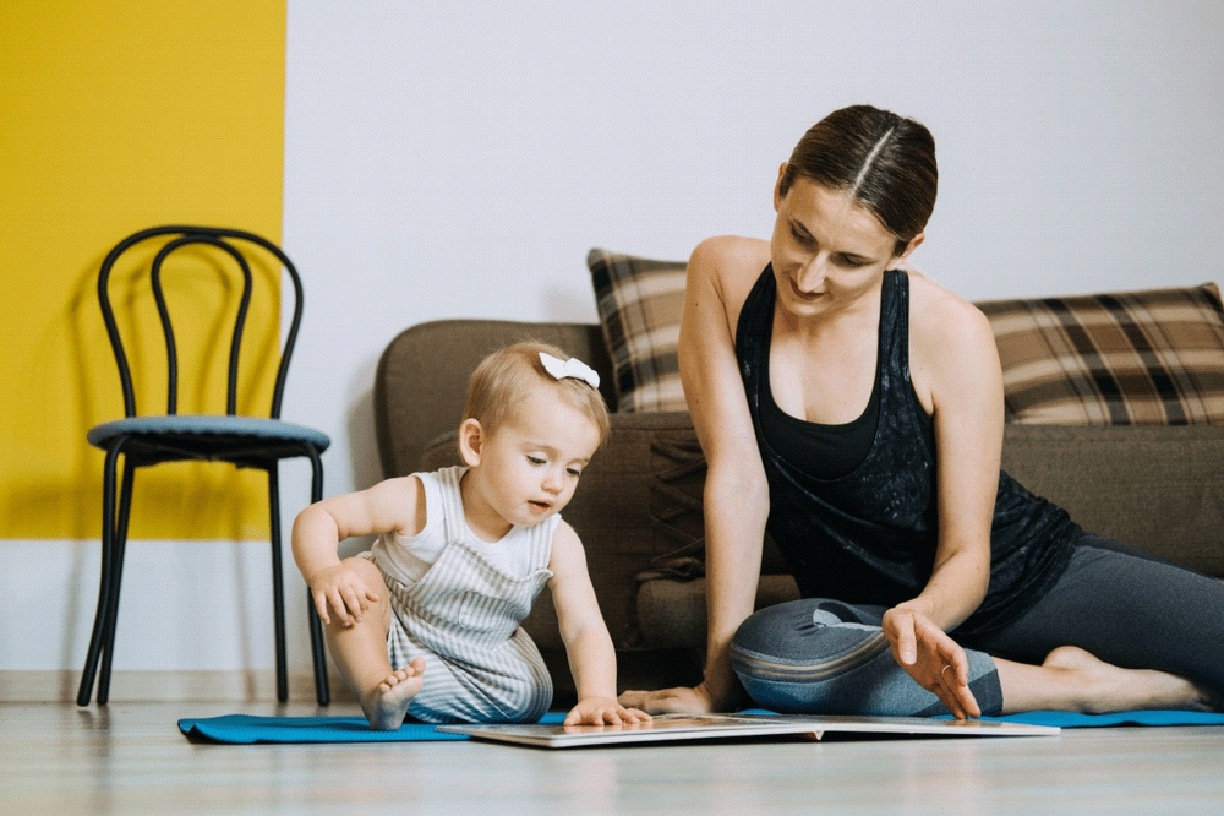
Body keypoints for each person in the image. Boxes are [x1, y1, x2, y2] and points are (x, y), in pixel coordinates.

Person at [619, 104, 1224, 720]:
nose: (808, 277)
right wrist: (716, 688)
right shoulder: (721, 275)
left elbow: (969, 555)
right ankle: (1091, 688)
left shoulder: (951, 330)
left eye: (851, 261)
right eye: (801, 235)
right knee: (766, 653)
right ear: (780, 187)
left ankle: (1001, 672)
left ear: (906, 248)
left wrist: (922, 620)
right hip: (866, 626)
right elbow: (741, 482)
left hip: (1024, 583)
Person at [293, 341, 650, 729]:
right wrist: (324, 570)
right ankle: (377, 690)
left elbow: (584, 626)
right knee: (356, 581)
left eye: (573, 470)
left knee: (535, 693)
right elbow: (320, 516)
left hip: (487, 661)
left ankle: (414, 697)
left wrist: (597, 696)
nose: (554, 484)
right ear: (476, 444)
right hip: (398, 641)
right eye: (537, 460)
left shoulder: (558, 541)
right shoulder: (419, 501)